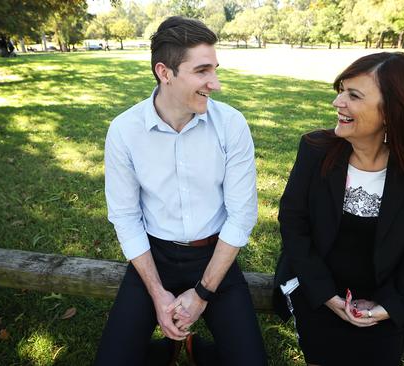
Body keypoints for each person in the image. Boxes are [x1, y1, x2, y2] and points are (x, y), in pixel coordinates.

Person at [95, 16, 267, 366]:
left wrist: (202, 294)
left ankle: (196, 350)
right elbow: (126, 217)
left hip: (215, 257)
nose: (215, 84)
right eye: (202, 71)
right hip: (153, 258)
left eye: (215, 69)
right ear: (165, 72)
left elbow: (242, 215)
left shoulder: (231, 125)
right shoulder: (125, 131)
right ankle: (167, 349)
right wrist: (158, 294)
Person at [273, 52, 404, 366]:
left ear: (392, 111)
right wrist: (328, 296)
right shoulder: (316, 149)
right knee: (324, 353)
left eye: (353, 95)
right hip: (316, 283)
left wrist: (387, 306)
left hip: (387, 293)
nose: (337, 102)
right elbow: (293, 224)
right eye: (340, 90)